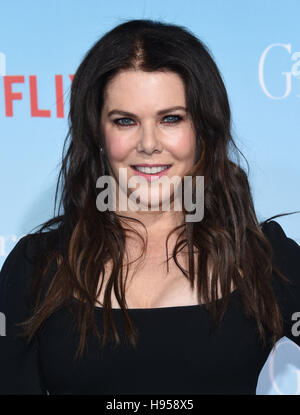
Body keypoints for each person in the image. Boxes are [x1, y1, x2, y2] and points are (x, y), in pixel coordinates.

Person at [0, 18, 299, 395]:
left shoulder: (262, 259)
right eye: (125, 121)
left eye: (170, 118)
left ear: (203, 129)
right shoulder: (37, 267)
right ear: (97, 133)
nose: (149, 143)